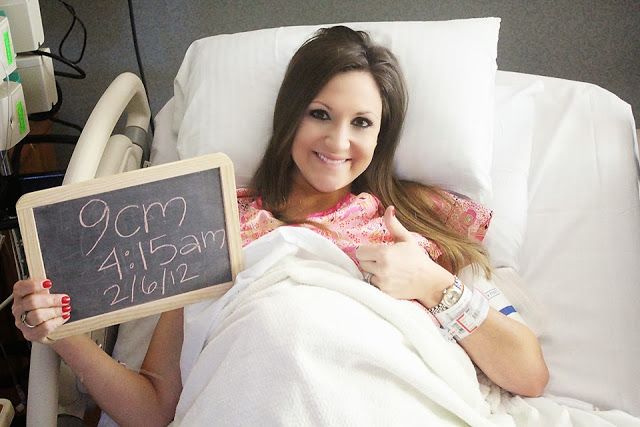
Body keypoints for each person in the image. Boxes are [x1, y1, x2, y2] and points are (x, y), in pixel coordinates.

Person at [12, 26, 548, 425]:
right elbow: (157, 407)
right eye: (320, 113)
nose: (338, 141)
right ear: (290, 114)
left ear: (382, 136)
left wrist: (433, 285)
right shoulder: (207, 218)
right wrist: (64, 337)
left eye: (362, 123)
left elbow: (528, 373)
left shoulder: (417, 219)